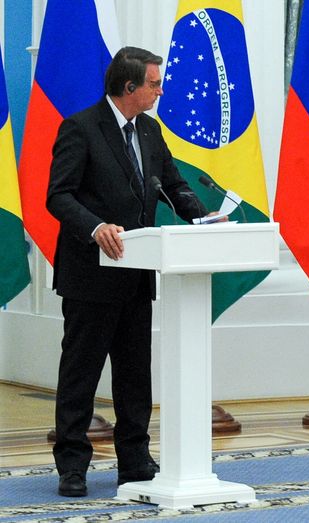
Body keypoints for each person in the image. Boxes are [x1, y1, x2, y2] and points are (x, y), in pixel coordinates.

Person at [47, 47, 216, 496]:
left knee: (134, 373)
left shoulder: (150, 130)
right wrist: (96, 226)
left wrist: (201, 219)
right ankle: (72, 464)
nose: (160, 90)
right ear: (130, 88)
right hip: (90, 274)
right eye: (154, 84)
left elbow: (172, 184)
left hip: (139, 274)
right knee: (81, 372)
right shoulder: (80, 128)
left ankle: (134, 459)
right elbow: (59, 196)